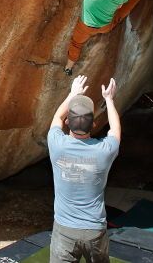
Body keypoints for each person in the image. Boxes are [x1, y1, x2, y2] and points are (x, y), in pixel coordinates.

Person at [47, 75, 121, 263]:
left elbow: (57, 116)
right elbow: (115, 129)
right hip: (94, 229)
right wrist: (109, 100)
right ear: (94, 125)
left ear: (67, 123)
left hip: (64, 229)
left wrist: (73, 94)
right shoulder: (104, 151)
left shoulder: (57, 145)